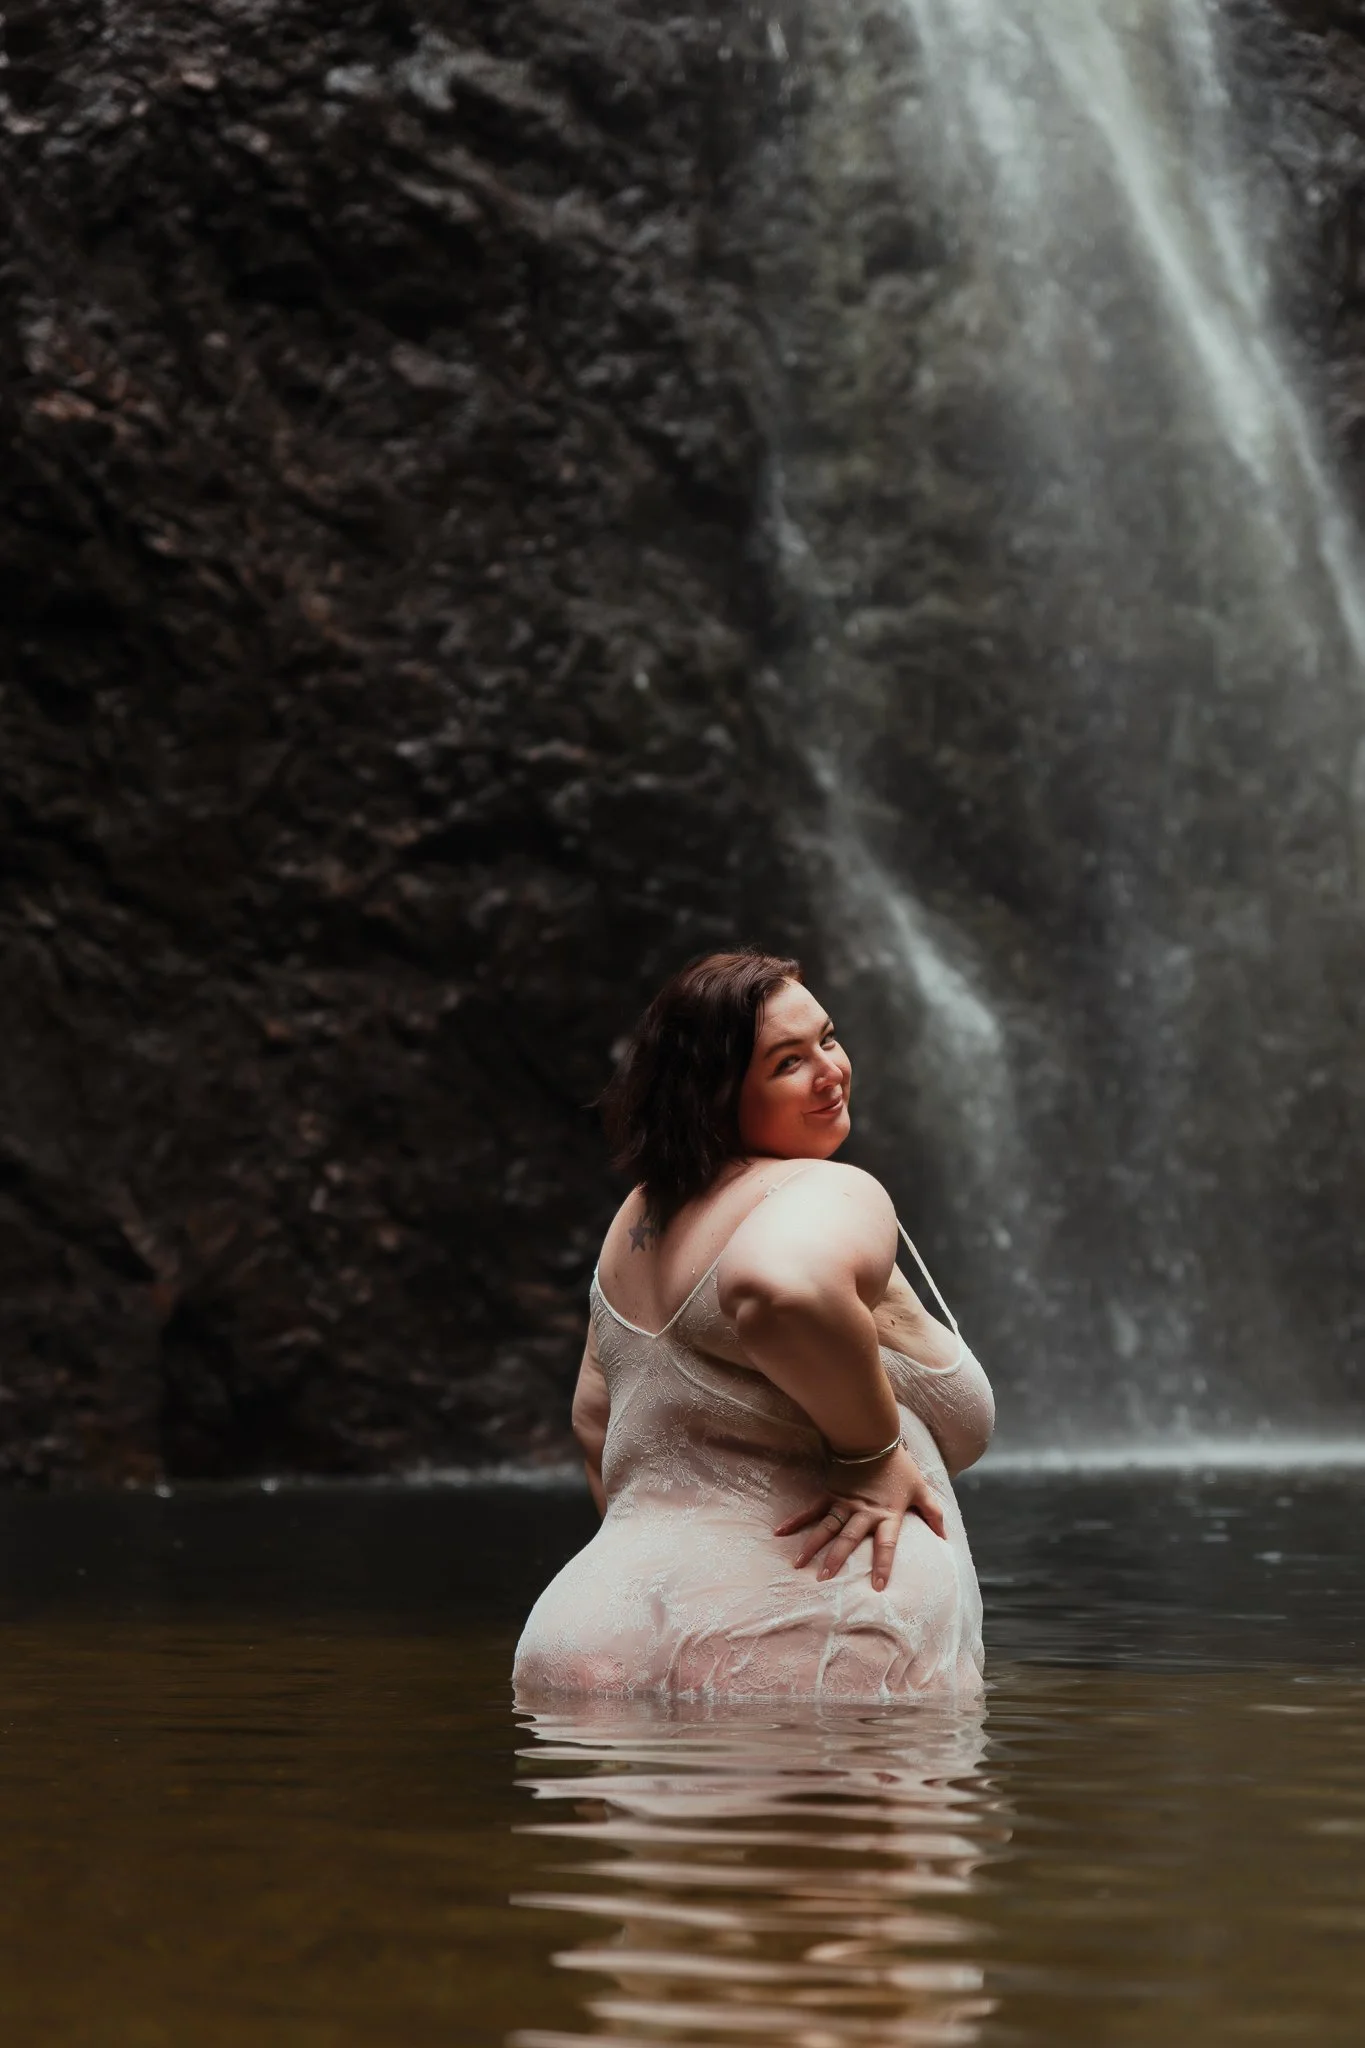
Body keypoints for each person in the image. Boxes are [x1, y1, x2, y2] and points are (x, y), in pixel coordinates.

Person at [513, 950, 995, 1701]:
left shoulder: (634, 1223)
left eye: (827, 1040)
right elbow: (782, 1291)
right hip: (805, 1647)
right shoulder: (824, 1191)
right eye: (787, 1063)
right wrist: (869, 1453)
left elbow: (593, 1425)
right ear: (715, 1096)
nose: (829, 1071)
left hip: (587, 1638)